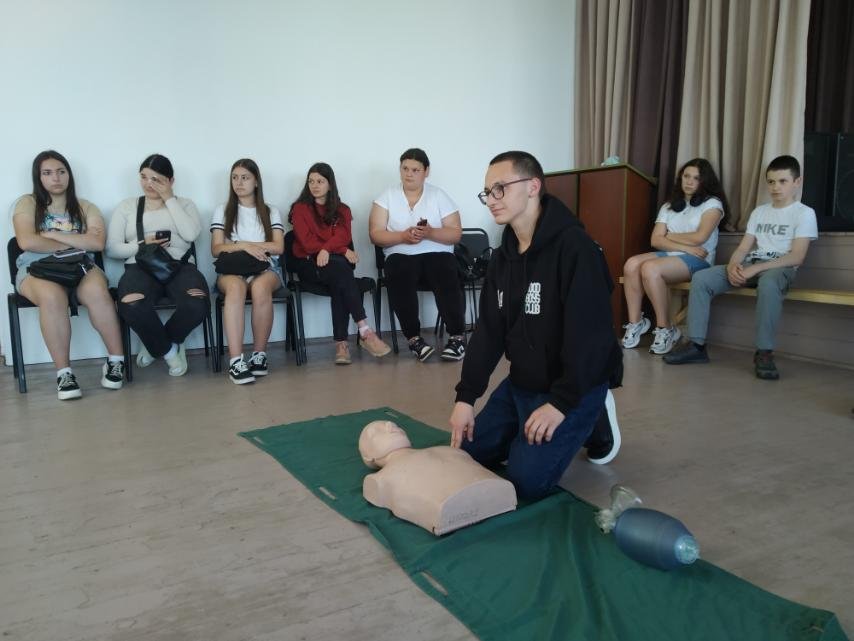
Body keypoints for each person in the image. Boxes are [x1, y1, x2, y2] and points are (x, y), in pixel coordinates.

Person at [449, 151, 623, 500]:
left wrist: (562, 402)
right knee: (467, 454)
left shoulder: (576, 249)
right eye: (487, 192)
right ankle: (540, 422)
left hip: (574, 383)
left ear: (533, 186)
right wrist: (465, 398)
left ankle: (595, 410)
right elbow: (489, 331)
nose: (491, 200)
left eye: (500, 188)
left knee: (526, 480)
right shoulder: (503, 257)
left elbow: (591, 337)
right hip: (524, 382)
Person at [664, 155, 818, 379]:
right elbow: (743, 248)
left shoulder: (804, 213)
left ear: (797, 182)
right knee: (703, 278)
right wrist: (733, 265)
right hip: (750, 265)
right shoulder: (760, 212)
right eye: (771, 181)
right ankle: (696, 346)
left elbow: (797, 256)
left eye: (782, 181)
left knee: (768, 284)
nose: (776, 187)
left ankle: (764, 353)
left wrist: (755, 269)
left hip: (779, 268)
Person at [11, 150, 125, 400]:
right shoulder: (27, 203)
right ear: (38, 177)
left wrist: (52, 235)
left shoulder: (86, 206)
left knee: (97, 291)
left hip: (80, 265)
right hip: (36, 268)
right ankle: (64, 374)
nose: (56, 178)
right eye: (47, 173)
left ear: (69, 175)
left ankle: (116, 361)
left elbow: (97, 243)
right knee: (52, 297)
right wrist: (76, 241)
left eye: (61, 172)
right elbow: (27, 241)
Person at [106, 154, 207, 377]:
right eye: (144, 177)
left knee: (197, 302)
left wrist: (169, 198)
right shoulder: (127, 206)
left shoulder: (185, 204)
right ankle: (170, 351)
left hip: (181, 267)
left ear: (171, 181)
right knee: (130, 304)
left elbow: (191, 235)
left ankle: (157, 343)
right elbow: (112, 248)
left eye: (156, 179)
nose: (148, 184)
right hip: (139, 267)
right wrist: (142, 245)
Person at [621, 159, 729, 354]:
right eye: (686, 176)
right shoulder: (669, 206)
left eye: (696, 178)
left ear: (704, 181)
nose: (689, 181)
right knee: (631, 264)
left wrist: (669, 236)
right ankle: (636, 323)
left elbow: (700, 237)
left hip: (700, 259)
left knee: (650, 268)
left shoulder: (712, 203)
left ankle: (666, 328)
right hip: (675, 253)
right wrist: (684, 246)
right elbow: (655, 240)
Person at [368, 148, 466, 362]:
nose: (409, 174)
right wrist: (402, 236)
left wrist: (430, 233)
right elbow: (375, 234)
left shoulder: (439, 195)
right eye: (405, 168)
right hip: (400, 254)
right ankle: (414, 339)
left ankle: (457, 338)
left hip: (437, 254)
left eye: (415, 170)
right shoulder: (386, 197)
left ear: (426, 171)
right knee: (398, 268)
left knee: (444, 267)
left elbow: (455, 234)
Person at [289, 162, 391, 364]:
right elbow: (307, 243)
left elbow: (343, 236)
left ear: (330, 184)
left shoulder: (342, 210)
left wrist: (328, 249)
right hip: (309, 265)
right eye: (311, 181)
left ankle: (342, 346)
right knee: (343, 274)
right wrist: (342, 250)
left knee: (340, 278)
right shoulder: (300, 209)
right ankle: (365, 331)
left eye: (320, 181)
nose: (314, 185)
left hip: (335, 266)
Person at [359, 420, 517, 535]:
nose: (390, 426)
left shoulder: (449, 450)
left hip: (497, 489)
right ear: (369, 457)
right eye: (377, 431)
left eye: (394, 424)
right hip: (448, 508)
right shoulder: (379, 480)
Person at [211, 159, 285, 384]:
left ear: (256, 182)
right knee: (236, 287)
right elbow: (216, 249)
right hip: (232, 270)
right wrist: (244, 245)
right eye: (235, 177)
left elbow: (278, 247)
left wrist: (250, 247)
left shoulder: (270, 211)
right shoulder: (223, 210)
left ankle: (259, 356)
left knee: (261, 287)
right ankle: (236, 361)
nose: (239, 182)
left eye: (245, 177)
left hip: (266, 267)